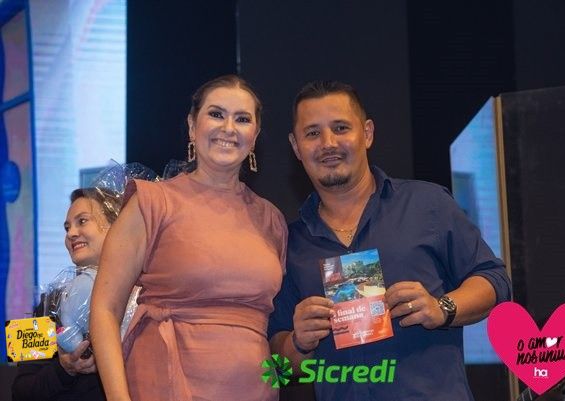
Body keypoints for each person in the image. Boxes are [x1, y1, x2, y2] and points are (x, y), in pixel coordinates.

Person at [268, 80, 512, 401]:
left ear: (367, 133)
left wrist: (442, 308)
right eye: (312, 133)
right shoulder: (290, 243)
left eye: (341, 128)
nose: (328, 143)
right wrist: (298, 342)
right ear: (296, 146)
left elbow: (495, 280)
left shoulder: (427, 204)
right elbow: (279, 369)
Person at [90, 75, 287, 401]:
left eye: (242, 119)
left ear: (254, 137)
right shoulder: (152, 202)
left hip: (254, 390)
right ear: (193, 126)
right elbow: (105, 309)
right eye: (216, 114)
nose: (229, 128)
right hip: (164, 383)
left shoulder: (272, 220)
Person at [12, 187, 120, 401]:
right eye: (67, 227)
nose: (71, 234)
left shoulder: (144, 296)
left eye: (82, 221)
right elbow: (19, 390)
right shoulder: (48, 302)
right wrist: (64, 369)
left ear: (116, 226)